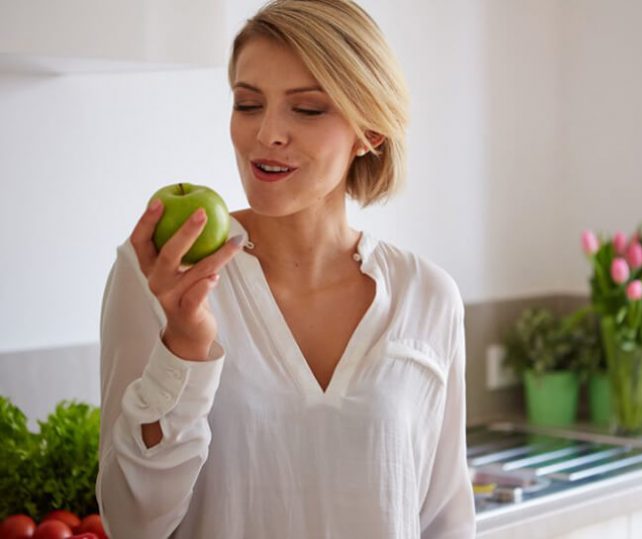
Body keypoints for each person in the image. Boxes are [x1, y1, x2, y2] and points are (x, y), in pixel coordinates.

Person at [96, 0, 476, 537]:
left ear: (370, 131)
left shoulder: (427, 295)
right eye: (248, 104)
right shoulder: (163, 274)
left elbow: (446, 521)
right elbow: (132, 523)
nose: (267, 134)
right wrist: (183, 346)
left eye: (308, 109)